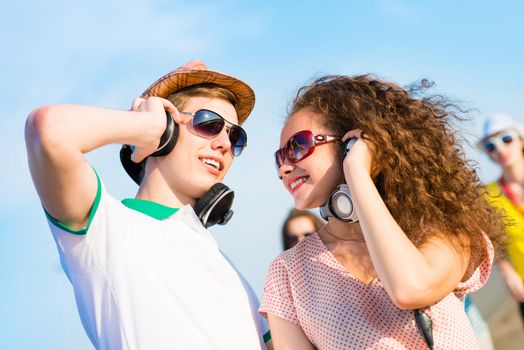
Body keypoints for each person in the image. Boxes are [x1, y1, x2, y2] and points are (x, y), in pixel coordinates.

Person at [25, 60, 272, 349]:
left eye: (235, 135)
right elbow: (49, 129)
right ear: (165, 131)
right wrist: (144, 125)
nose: (225, 143)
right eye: (209, 123)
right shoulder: (107, 230)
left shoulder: (235, 278)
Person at [259, 74, 506, 349]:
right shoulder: (288, 272)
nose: (284, 168)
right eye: (279, 158)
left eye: (298, 146)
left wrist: (357, 173)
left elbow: (410, 289)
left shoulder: (442, 228)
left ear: (349, 143)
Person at [478, 114, 524, 324]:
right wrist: (507, 273)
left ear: (520, 139)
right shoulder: (489, 194)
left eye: (506, 139)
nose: (500, 149)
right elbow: (494, 239)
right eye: (490, 146)